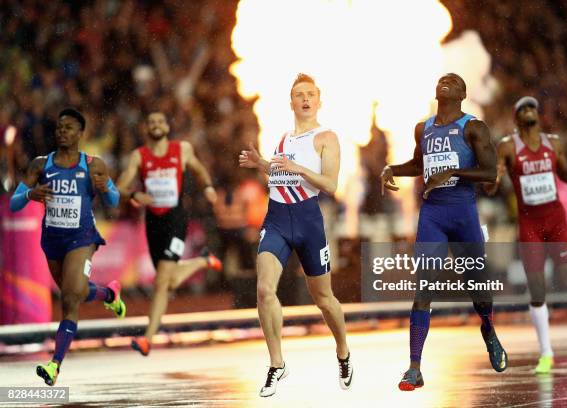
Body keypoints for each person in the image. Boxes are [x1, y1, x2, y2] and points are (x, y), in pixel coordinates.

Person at [381, 73, 508, 391]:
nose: (446, 81)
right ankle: (414, 368)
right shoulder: (423, 128)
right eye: (442, 79)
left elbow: (489, 171)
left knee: (478, 288)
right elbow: (418, 165)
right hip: (433, 216)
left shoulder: (473, 127)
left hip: (463, 214)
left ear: (463, 93)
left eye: (454, 80)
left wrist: (452, 171)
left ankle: (488, 329)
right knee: (423, 288)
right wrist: (391, 169)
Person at [239, 73, 353, 397]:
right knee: (263, 290)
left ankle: (343, 350)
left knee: (324, 299)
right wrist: (261, 163)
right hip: (276, 220)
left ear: (319, 101)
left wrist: (299, 169)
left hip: (308, 223)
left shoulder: (326, 137)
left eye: (310, 94)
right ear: (291, 102)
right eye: (299, 94)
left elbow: (330, 184)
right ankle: (277, 364)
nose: (304, 99)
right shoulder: (283, 138)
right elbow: (279, 173)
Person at [485, 96, 567, 374]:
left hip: (556, 220)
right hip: (530, 226)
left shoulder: (554, 143)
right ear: (516, 118)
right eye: (523, 108)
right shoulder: (508, 146)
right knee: (537, 289)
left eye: (532, 108)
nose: (529, 111)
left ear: (538, 115)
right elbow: (499, 172)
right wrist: (494, 181)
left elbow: (566, 172)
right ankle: (546, 353)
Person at [9, 108, 126, 386]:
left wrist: (106, 188)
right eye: (60, 127)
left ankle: (54, 365)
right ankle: (109, 294)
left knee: (70, 300)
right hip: (52, 240)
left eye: (69, 128)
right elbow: (14, 203)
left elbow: (114, 201)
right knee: (77, 292)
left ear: (80, 133)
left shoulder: (93, 164)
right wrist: (29, 193)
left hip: (82, 239)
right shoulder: (41, 165)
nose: (62, 132)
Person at [116, 111, 222, 356]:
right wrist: (133, 195)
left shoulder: (181, 150)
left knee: (162, 282)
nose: (156, 125)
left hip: (176, 219)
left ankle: (147, 339)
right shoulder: (139, 156)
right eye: (151, 122)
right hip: (153, 222)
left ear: (167, 126)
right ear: (146, 128)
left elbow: (200, 169)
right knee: (169, 281)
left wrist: (207, 187)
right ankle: (202, 260)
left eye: (160, 121)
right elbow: (120, 185)